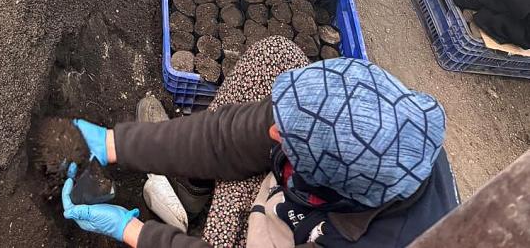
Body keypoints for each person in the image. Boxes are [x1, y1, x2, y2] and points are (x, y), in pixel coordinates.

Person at [62, 49, 458, 248]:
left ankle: (211, 227)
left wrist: (133, 231)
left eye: (287, 137)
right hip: (319, 199)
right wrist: (116, 144)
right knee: (276, 55)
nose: (272, 132)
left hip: (312, 234)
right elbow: (231, 135)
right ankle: (194, 190)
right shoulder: (381, 124)